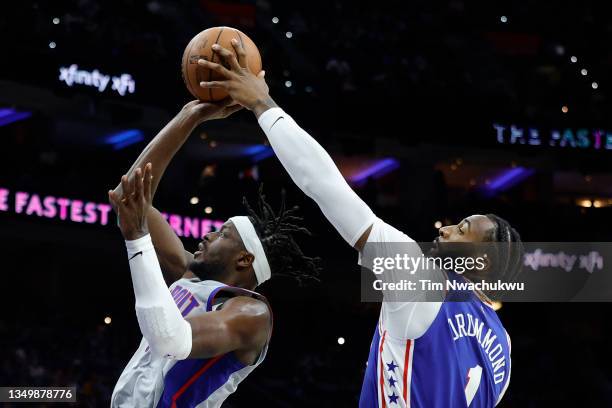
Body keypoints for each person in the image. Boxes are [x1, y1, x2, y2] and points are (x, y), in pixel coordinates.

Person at [198, 40, 524, 407]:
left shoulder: (421, 276)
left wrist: (262, 105)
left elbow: (325, 186)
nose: (444, 229)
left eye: (462, 230)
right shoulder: (504, 350)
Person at [108, 100, 318, 407]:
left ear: (245, 259)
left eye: (223, 234)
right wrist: (189, 117)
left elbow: (171, 340)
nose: (207, 235)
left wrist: (138, 240)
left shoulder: (252, 314)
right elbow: (128, 199)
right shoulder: (188, 275)